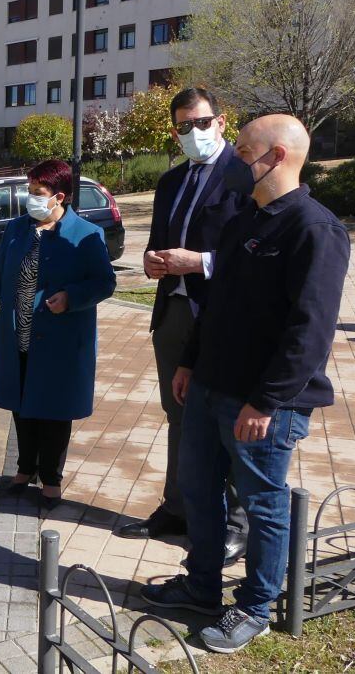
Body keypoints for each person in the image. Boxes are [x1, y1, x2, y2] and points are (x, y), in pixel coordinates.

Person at [141, 114, 350, 654]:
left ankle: (255, 606)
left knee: (263, 506)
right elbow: (214, 307)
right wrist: (189, 362)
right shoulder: (243, 222)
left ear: (276, 157)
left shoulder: (314, 229)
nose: (232, 159)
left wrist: (266, 400)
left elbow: (309, 332)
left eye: (242, 151)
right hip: (210, 384)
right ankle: (202, 587)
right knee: (199, 490)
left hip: (261, 404)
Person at [116, 87, 249, 568]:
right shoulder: (172, 181)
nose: (193, 133)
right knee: (178, 418)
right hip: (172, 315)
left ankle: (236, 523)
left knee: (223, 423)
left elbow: (250, 252)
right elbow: (158, 244)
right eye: (183, 127)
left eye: (201, 123)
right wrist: (152, 263)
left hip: (217, 317)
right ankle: (178, 508)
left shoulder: (244, 175)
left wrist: (202, 263)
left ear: (221, 121)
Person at [0, 159, 115, 506]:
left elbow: (105, 282)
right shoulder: (17, 230)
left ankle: (51, 480)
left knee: (54, 412)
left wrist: (72, 297)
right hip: (18, 335)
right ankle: (24, 468)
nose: (31, 200)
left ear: (59, 197)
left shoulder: (87, 235)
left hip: (60, 339)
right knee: (21, 405)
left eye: (37, 193)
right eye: (29, 192)